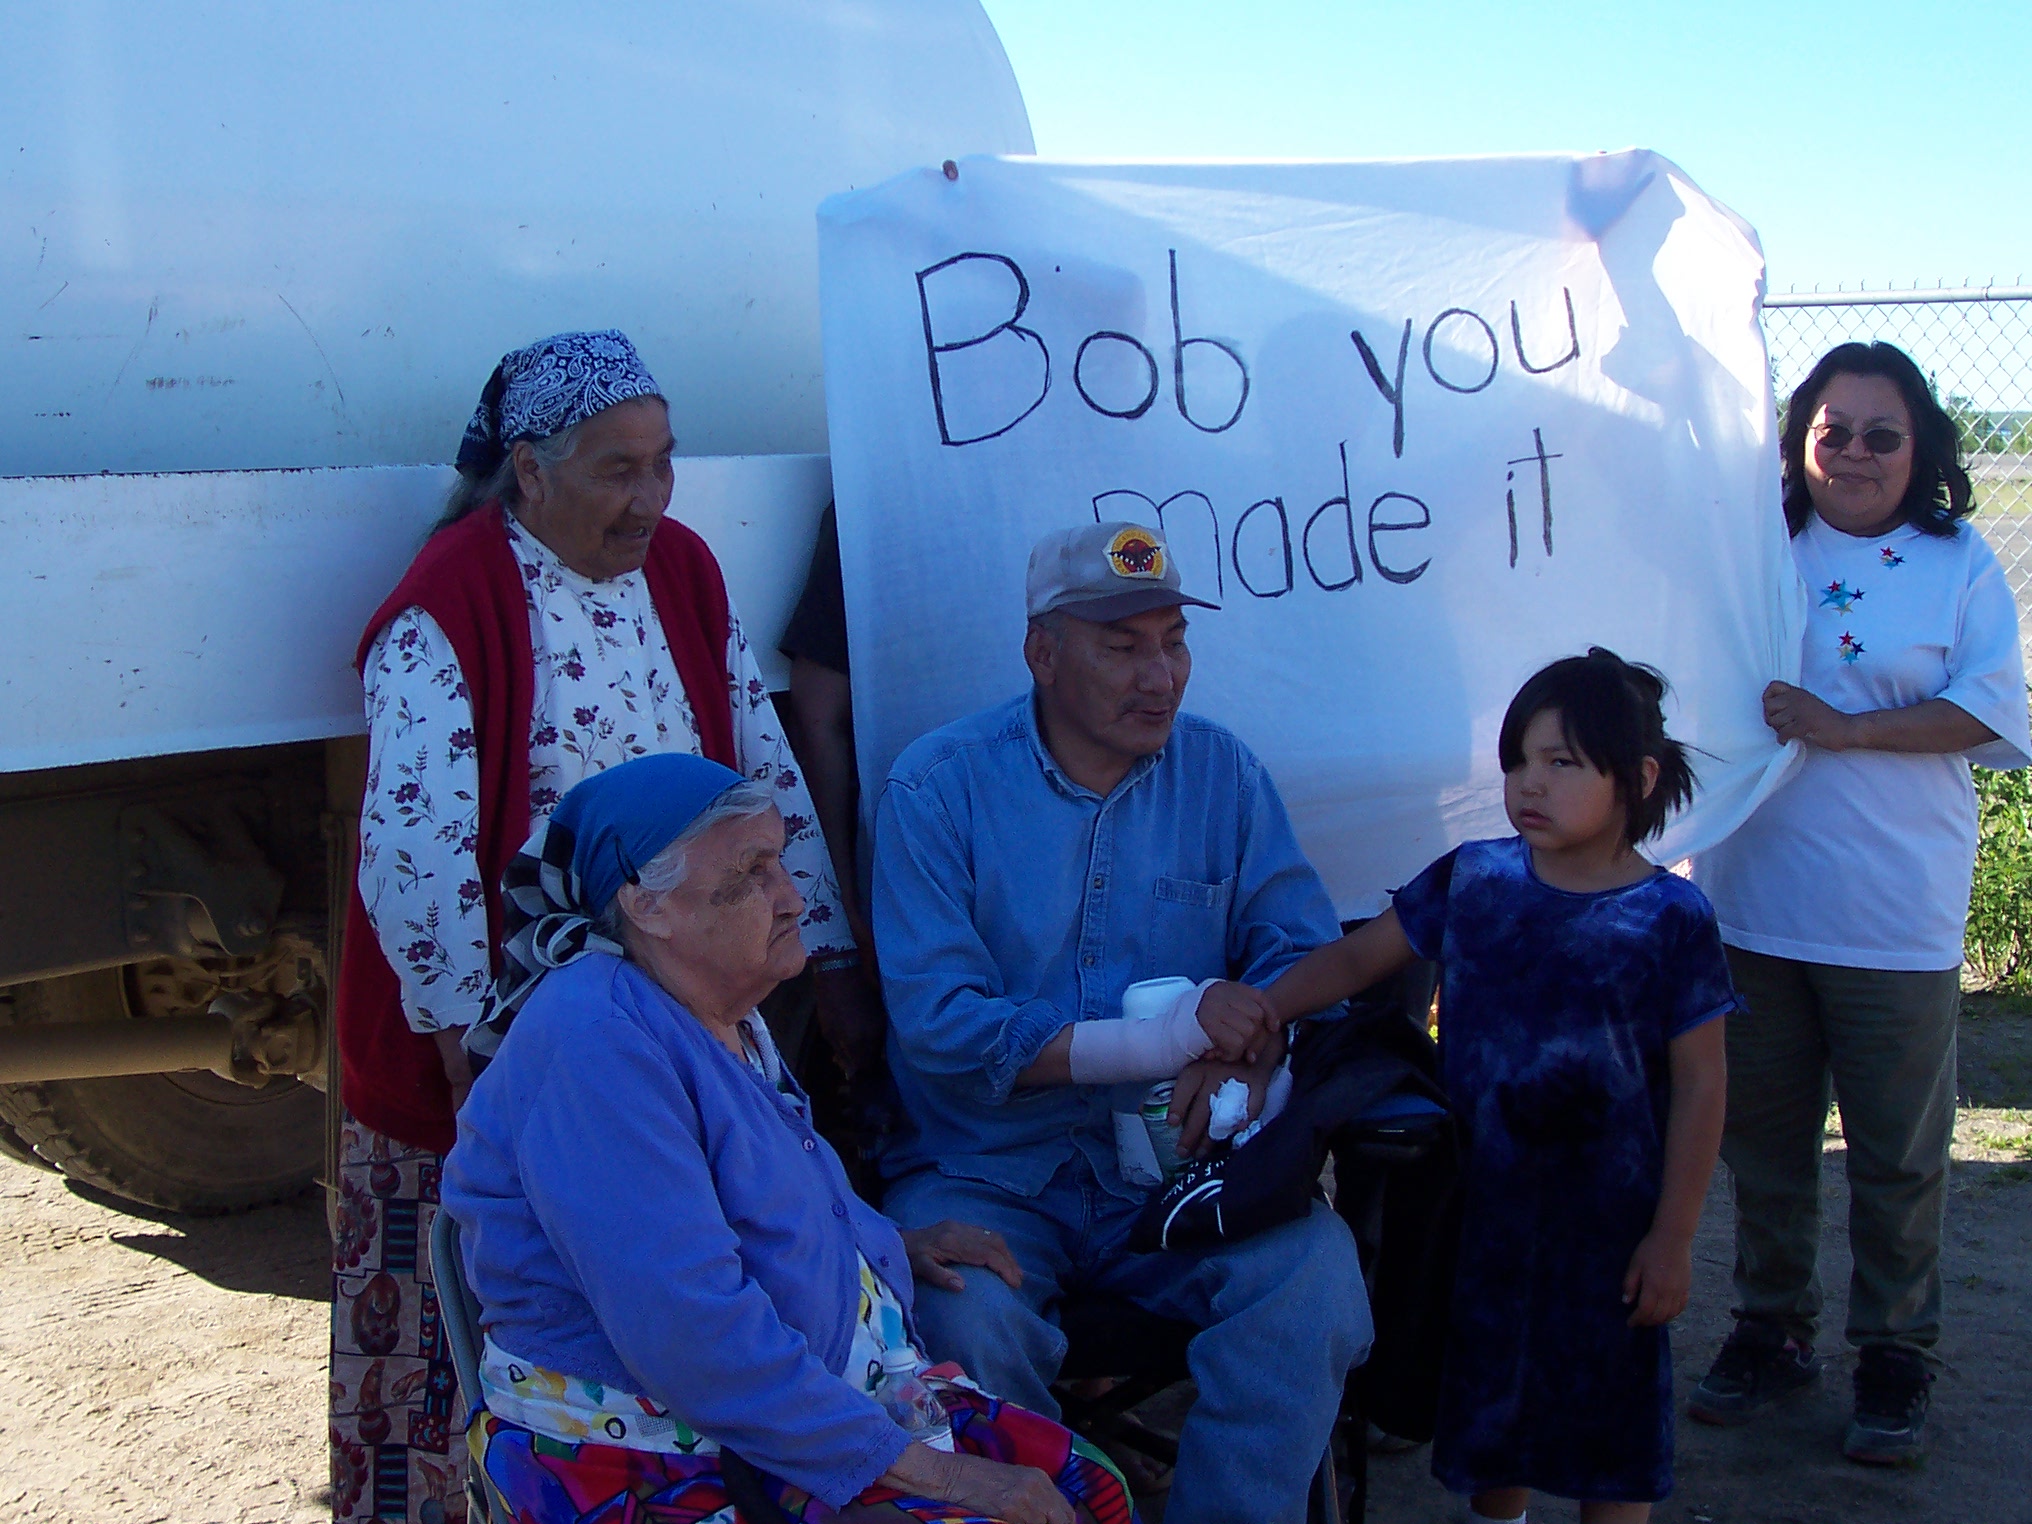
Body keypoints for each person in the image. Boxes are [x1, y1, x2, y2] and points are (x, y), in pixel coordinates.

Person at [330, 330, 873, 1524]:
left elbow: (752, 752)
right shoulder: (449, 600)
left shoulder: (681, 568)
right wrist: (477, 1084)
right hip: (495, 1049)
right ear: (528, 470)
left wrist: (817, 947)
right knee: (478, 1326)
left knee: (679, 1294)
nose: (652, 497)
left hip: (677, 1013)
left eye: (663, 464)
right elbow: (417, 866)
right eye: (618, 469)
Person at [440, 752, 1134, 1524]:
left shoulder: (708, 1007)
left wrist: (881, 1244)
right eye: (753, 873)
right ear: (645, 904)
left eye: (782, 863)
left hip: (779, 1410)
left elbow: (758, 1190)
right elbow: (688, 1333)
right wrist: (936, 1478)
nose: (794, 898)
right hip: (658, 1453)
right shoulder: (595, 1042)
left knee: (1084, 1487)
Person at [871, 520, 1372, 1524]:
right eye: (1122, 645)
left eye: (1173, 641)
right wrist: (1166, 1035)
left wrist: (1249, 1064)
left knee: (1313, 1282)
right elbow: (941, 1026)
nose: (1160, 676)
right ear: (1041, 652)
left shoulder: (1222, 775)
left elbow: (1298, 958)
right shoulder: (937, 787)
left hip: (1180, 1166)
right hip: (986, 1171)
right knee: (964, 1323)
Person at [1243, 649, 1733, 1524]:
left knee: (1609, 1443)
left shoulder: (1672, 919)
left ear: (1640, 777)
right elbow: (1360, 957)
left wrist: (1674, 1235)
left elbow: (1702, 1086)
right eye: (1516, 762)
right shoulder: (1476, 879)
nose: (1528, 785)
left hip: (1611, 1234)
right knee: (1492, 1427)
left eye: (1561, 763)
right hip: (1482, 1220)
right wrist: (1262, 1009)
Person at [1690, 342, 2031, 1464]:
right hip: (1752, 903)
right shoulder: (1752, 550)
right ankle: (1769, 1329)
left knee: (1898, 1155)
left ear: (1919, 446)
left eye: (1883, 434)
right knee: (1766, 1147)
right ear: (1796, 439)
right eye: (1831, 429)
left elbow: (1992, 718)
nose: (1855, 453)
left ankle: (1895, 1352)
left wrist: (1848, 728)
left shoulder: (1956, 561)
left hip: (1895, 914)